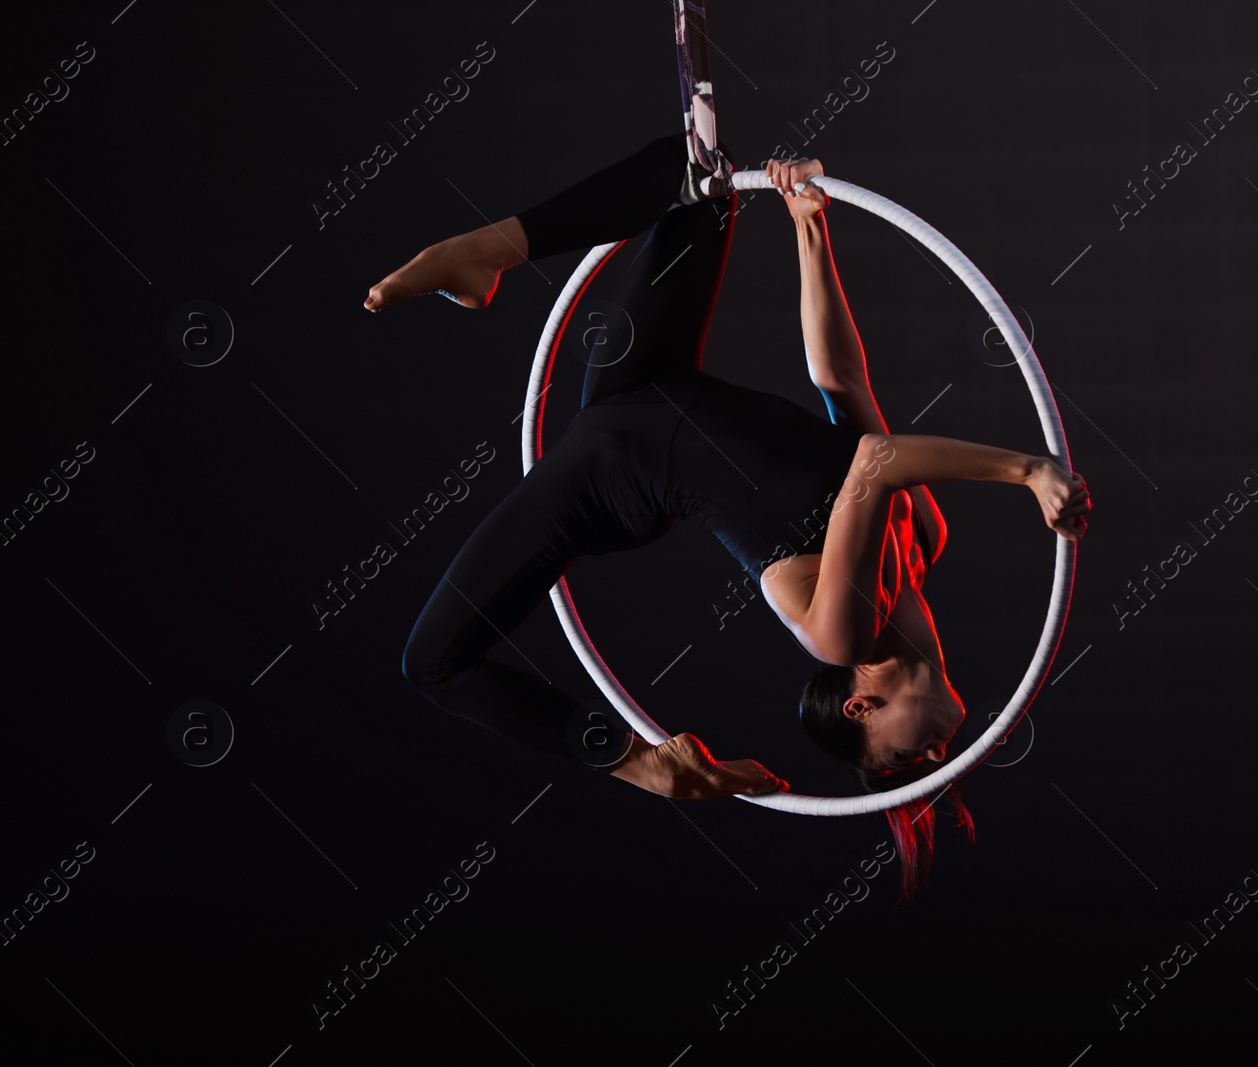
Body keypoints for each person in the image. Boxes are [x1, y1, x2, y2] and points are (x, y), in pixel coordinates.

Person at [366, 134, 1090, 896]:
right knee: (697, 164)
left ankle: (640, 764)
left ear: (861, 705)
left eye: (900, 761)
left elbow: (876, 461)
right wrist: (811, 228)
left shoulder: (843, 632)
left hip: (605, 481)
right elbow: (843, 385)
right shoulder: (925, 539)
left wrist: (1027, 469)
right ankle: (486, 252)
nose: (936, 757)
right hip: (644, 382)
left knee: (434, 662)